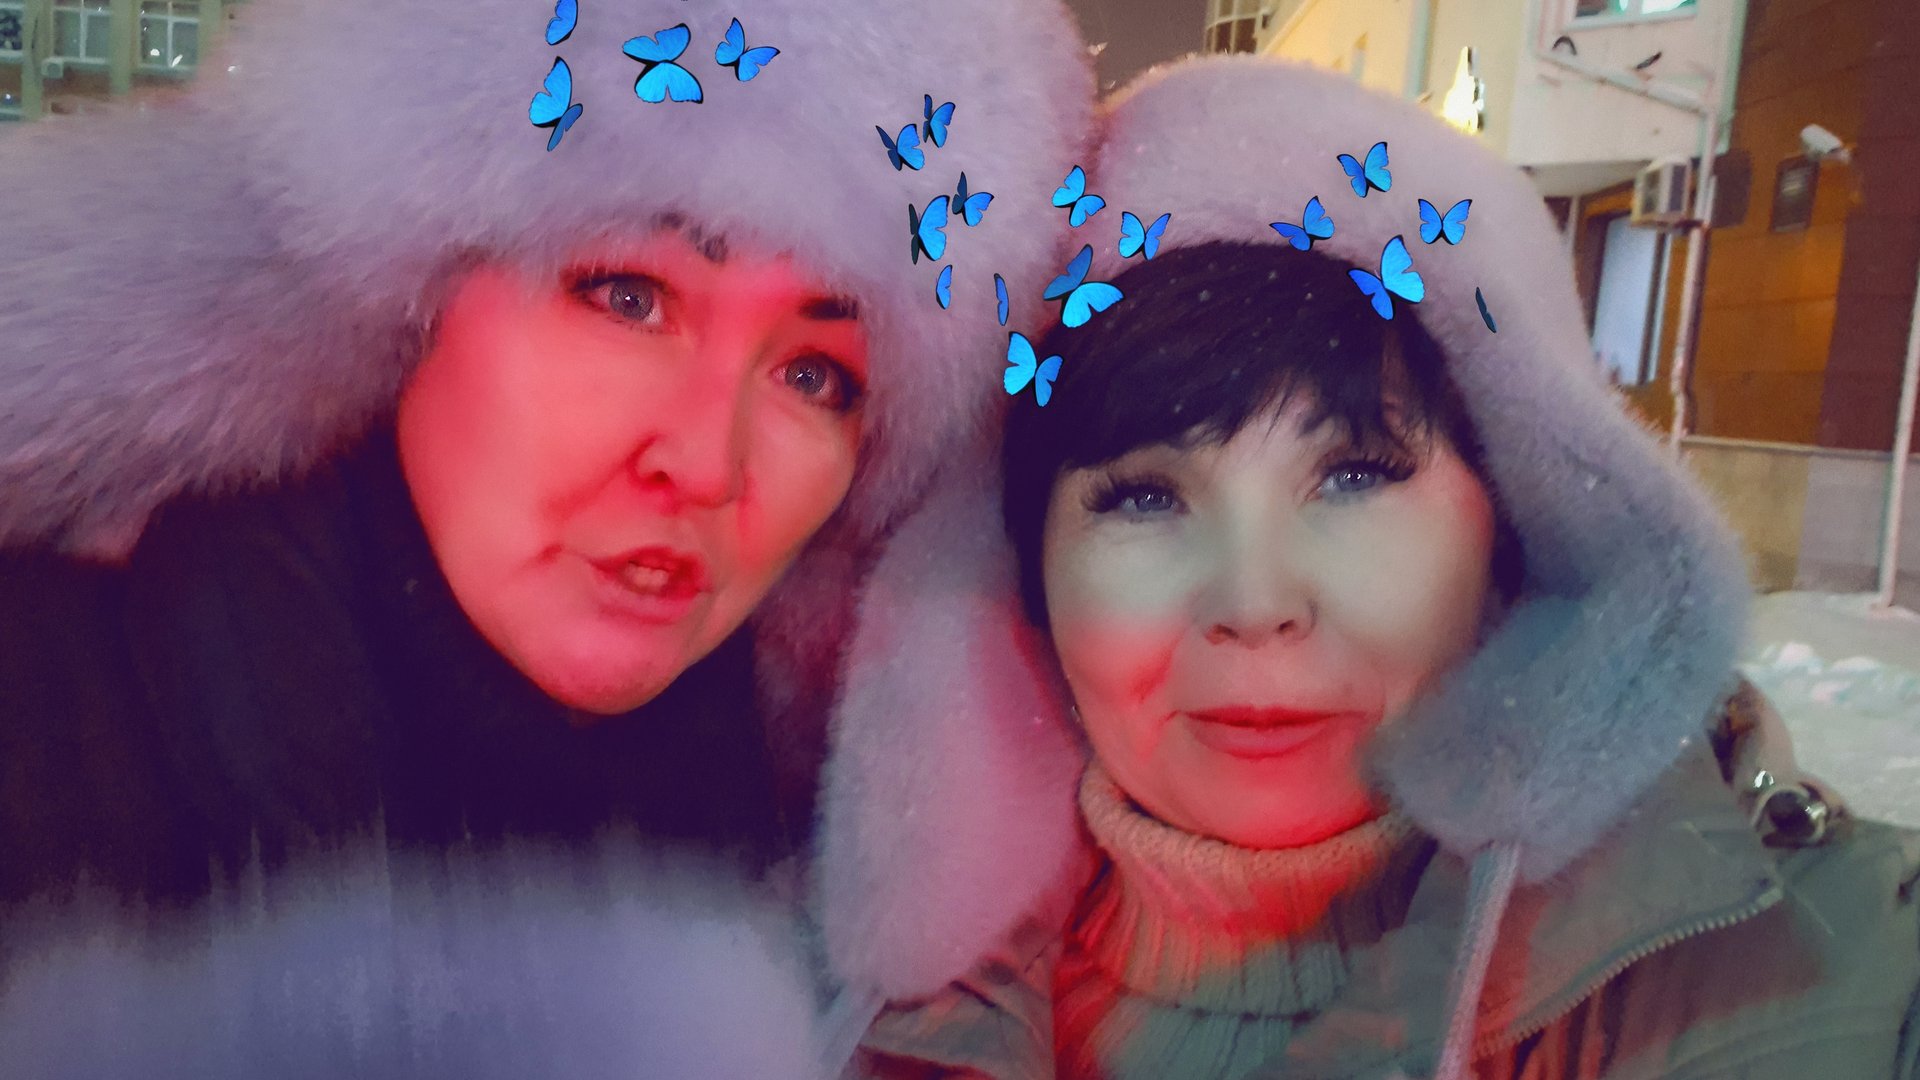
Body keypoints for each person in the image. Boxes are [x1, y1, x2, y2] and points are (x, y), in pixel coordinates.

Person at [810, 56, 1920, 1078]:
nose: (1256, 604)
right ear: (1025, 570)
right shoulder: (811, 1001)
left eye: (1352, 476)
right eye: (1145, 497)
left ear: (1509, 529)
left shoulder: (1852, 973)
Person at [0, 0, 1094, 959]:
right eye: (627, 297)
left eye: (816, 376)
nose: (706, 466)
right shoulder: (50, 729)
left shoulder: (802, 866)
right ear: (404, 302)